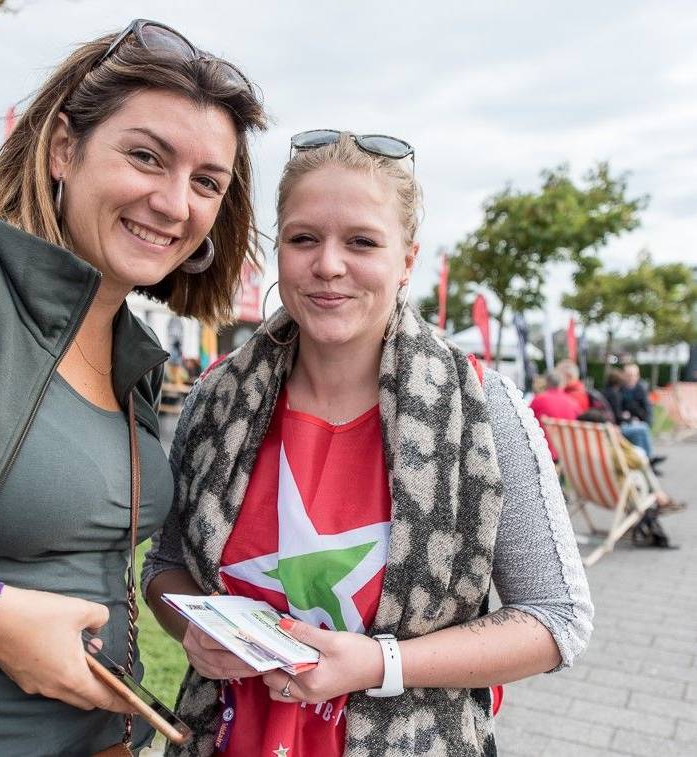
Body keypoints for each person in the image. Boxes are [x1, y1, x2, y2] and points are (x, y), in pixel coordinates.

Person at [0, 19, 264, 756]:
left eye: (206, 182)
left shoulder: (135, 364)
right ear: (64, 148)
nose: (175, 203)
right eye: (147, 156)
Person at [144, 132, 593, 757]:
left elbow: (555, 617)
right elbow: (164, 569)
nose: (329, 265)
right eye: (304, 239)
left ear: (406, 259)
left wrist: (381, 663)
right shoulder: (217, 397)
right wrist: (193, 627)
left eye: (361, 241)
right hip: (224, 738)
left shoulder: (481, 408)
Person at [604, 369, 664, 472]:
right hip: (617, 428)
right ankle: (648, 459)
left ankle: (645, 463)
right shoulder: (615, 394)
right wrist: (629, 418)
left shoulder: (606, 392)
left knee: (639, 431)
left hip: (614, 426)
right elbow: (617, 415)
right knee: (642, 428)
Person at [529, 371, 582, 461]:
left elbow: (526, 422)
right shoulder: (573, 403)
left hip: (543, 454)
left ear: (547, 383)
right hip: (567, 456)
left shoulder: (538, 400)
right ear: (562, 384)